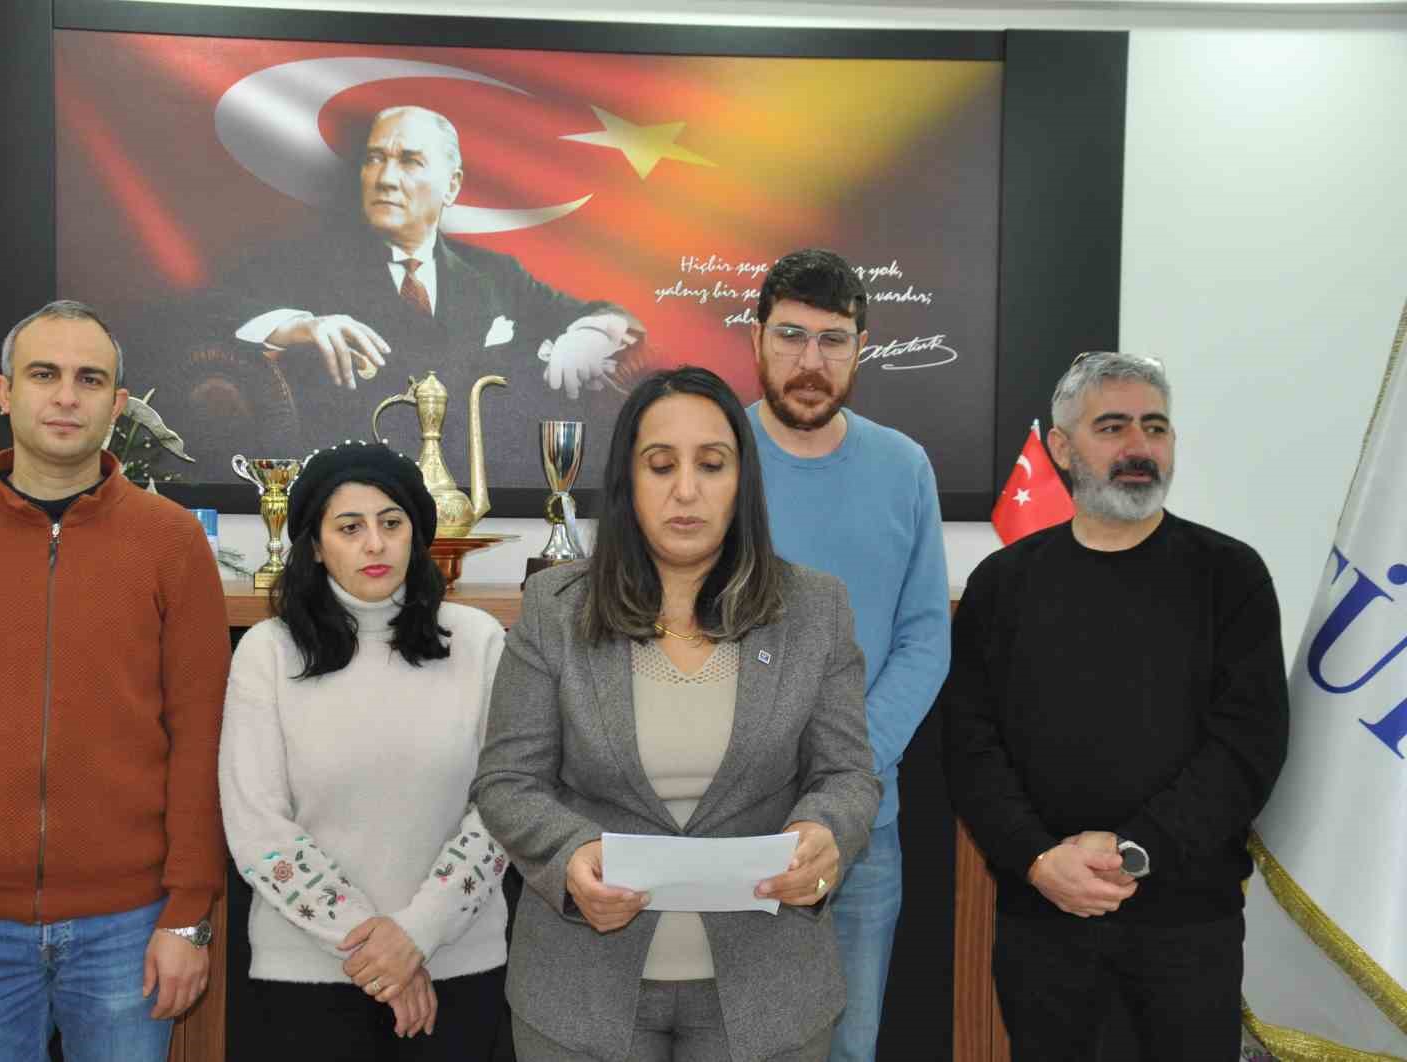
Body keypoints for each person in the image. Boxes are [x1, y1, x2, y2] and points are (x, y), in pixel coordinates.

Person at [0, 300, 232, 1060]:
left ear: (117, 405)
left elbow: (202, 739)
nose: (65, 396)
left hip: (130, 926)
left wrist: (189, 913)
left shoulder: (172, 542)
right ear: (5, 392)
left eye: (89, 379)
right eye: (43, 374)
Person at [474, 366, 881, 1062]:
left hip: (768, 991)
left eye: (711, 465)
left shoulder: (815, 608)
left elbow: (848, 773)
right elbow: (507, 781)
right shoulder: (555, 608)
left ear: (741, 482)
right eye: (661, 466)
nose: (686, 490)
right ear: (628, 483)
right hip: (580, 992)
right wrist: (571, 857)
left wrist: (825, 830)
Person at [940, 351, 1289, 1061]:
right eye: (1112, 427)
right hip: (1044, 919)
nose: (1139, 446)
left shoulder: (1231, 575)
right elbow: (970, 746)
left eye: (1155, 427)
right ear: (1062, 447)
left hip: (1188, 930)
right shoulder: (1001, 585)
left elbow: (1247, 745)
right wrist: (1039, 859)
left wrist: (1137, 851)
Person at [219, 441, 510, 1059]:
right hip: (305, 978)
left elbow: (503, 808)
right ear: (315, 545)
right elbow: (256, 824)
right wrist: (376, 947)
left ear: (416, 536)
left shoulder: (480, 642)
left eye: (391, 523)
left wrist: (416, 935)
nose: (375, 544)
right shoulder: (268, 651)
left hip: (458, 968)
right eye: (350, 528)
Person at [189, 104, 645, 476]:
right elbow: (201, 311)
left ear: (452, 186)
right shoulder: (307, 263)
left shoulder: (495, 274)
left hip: (477, 501)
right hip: (358, 496)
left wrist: (588, 335)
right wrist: (296, 327)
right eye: (374, 159)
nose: (385, 178)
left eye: (409, 161)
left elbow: (612, 316)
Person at [745, 249, 951, 1060]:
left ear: (861, 348)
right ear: (757, 339)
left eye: (833, 340)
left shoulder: (904, 467)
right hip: (721, 826)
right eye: (791, 336)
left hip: (863, 831)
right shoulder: (710, 458)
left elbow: (925, 637)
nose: (811, 361)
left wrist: (846, 769)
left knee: (847, 1050)